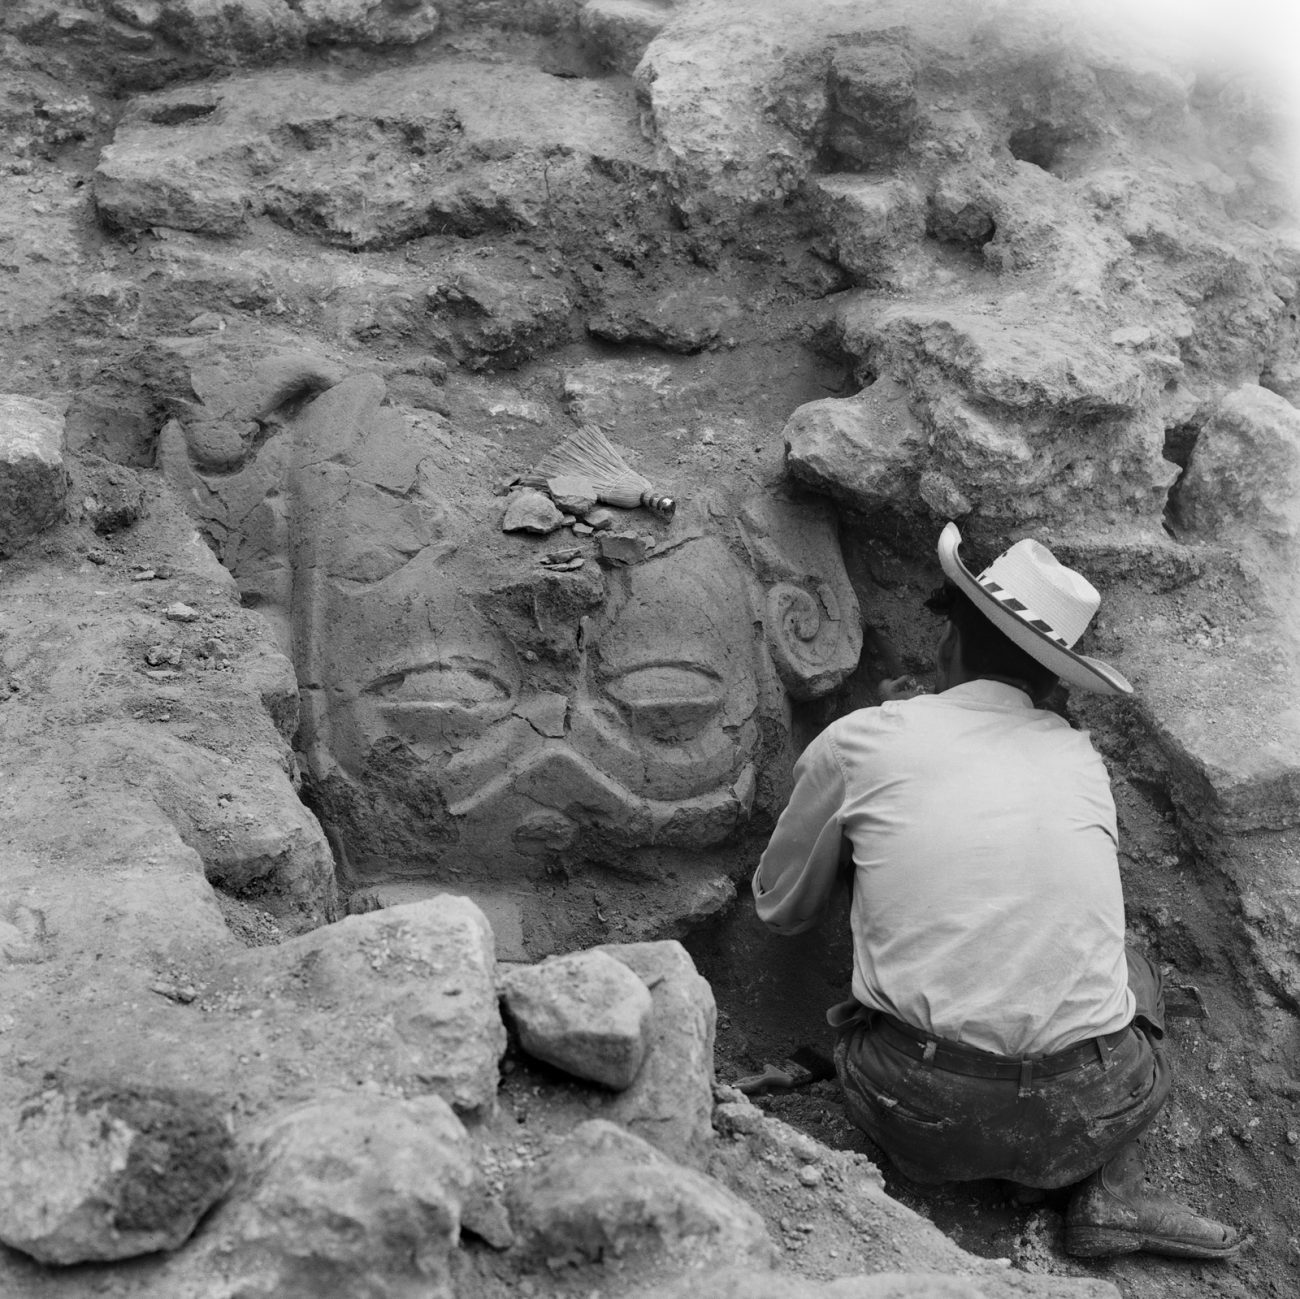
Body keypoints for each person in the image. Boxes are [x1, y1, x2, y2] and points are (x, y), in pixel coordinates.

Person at [752, 522, 1241, 1261]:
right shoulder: (1079, 757)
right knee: (1129, 964)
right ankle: (1106, 1190)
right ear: (1053, 681)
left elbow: (781, 907)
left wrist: (860, 836)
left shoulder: (865, 739)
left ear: (947, 643)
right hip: (1094, 1112)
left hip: (919, 1116)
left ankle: (981, 1150)